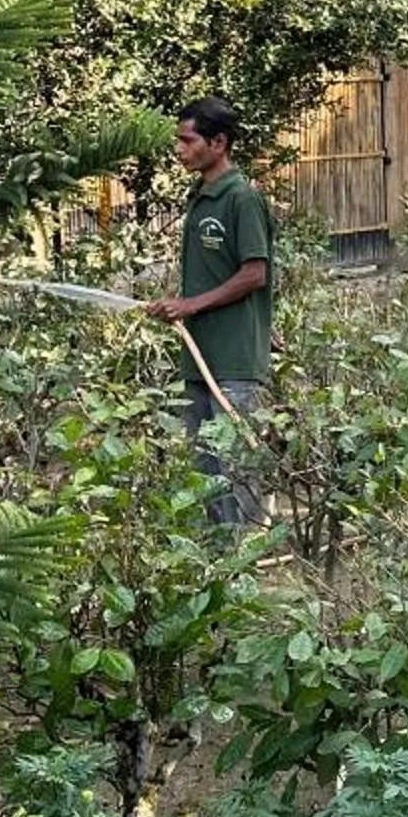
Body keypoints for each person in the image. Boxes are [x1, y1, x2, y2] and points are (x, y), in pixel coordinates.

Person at [145, 96, 273, 520]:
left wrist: (191, 305)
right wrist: (176, 308)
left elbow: (255, 273)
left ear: (218, 143)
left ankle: (243, 564)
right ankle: (215, 569)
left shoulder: (241, 198)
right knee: (205, 469)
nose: (179, 149)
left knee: (235, 467)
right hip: (198, 358)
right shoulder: (199, 197)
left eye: (187, 140)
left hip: (233, 360)